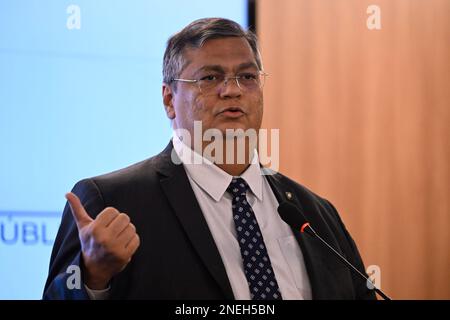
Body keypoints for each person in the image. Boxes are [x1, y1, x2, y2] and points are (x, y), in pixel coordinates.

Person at [43, 17, 376, 300]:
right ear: (169, 99)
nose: (232, 90)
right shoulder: (111, 202)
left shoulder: (315, 214)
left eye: (247, 77)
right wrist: (92, 278)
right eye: (210, 78)